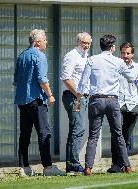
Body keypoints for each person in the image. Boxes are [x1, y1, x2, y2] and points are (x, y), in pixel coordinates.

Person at [75, 34, 138, 176]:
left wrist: (78, 100)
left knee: (93, 135)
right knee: (118, 135)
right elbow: (131, 78)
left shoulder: (91, 60)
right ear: (112, 47)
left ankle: (88, 168)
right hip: (112, 100)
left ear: (100, 46)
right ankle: (127, 166)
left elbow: (82, 84)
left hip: (96, 100)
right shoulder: (119, 62)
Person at [14, 29, 65, 176]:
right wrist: (50, 95)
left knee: (25, 134)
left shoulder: (22, 55)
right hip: (36, 99)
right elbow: (42, 79)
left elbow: (16, 80)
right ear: (37, 42)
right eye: (44, 40)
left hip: (22, 101)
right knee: (44, 133)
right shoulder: (40, 56)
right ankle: (48, 167)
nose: (46, 42)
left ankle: (24, 167)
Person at [108, 42, 138, 173]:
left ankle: (122, 163)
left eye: (128, 53)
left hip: (133, 106)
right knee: (116, 134)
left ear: (133, 54)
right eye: (123, 53)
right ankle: (116, 165)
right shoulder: (115, 67)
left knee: (126, 136)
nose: (125, 56)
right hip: (118, 105)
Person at [60, 32, 92, 174]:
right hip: (74, 97)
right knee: (78, 129)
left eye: (88, 43)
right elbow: (66, 78)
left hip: (81, 97)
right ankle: (73, 163)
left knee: (77, 128)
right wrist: (79, 96)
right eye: (84, 43)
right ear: (78, 42)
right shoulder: (72, 55)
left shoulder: (85, 56)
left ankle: (71, 164)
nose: (86, 45)